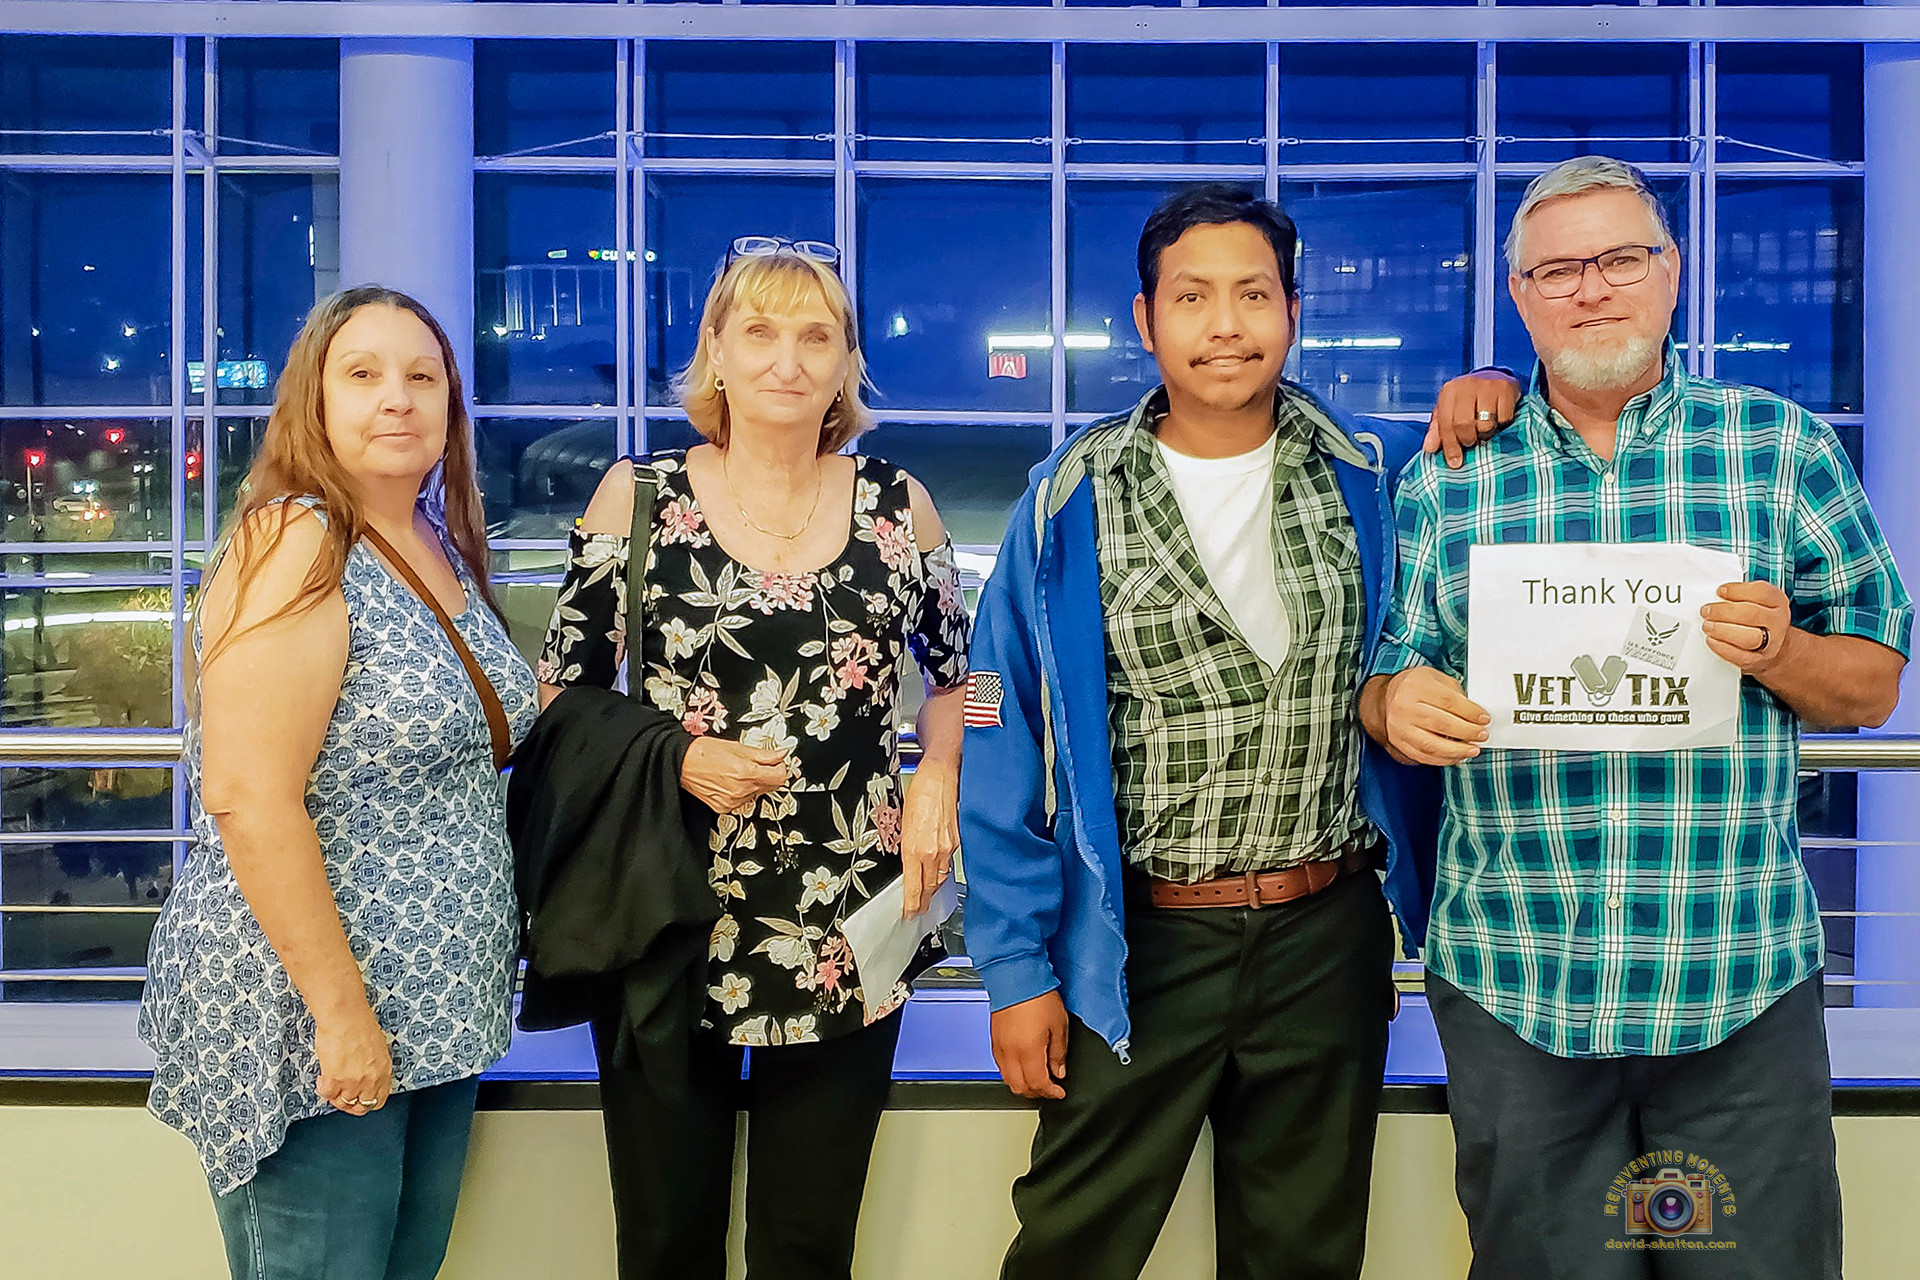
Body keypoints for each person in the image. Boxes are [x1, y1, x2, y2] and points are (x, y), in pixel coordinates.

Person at [958, 183, 1521, 1280]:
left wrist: (1499, 385)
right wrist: (1017, 967)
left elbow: (1501, 461)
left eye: (1253, 294)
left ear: (1293, 311)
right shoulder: (1066, 498)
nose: (1226, 325)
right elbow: (996, 718)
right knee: (1071, 1243)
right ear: (1145, 318)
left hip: (1327, 931)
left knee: (1304, 1253)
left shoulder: (1372, 473)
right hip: (1137, 941)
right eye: (1194, 296)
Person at [1363, 155, 1911, 1279]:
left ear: (1671, 277)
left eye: (1620, 259)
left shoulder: (1782, 448)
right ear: (1519, 295)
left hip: (1737, 975)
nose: (1590, 289)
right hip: (1516, 976)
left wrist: (1789, 650)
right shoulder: (1446, 479)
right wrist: (1391, 703)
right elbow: (1385, 673)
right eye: (1558, 269)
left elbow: (1874, 684)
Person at [533, 235, 972, 1280]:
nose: (788, 358)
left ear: (845, 362)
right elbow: (559, 693)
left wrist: (938, 772)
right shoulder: (634, 497)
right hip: (667, 910)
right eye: (760, 331)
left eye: (815, 335)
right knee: (665, 1237)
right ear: (716, 352)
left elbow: (972, 676)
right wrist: (674, 758)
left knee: (810, 1240)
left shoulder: (895, 504)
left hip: (851, 917)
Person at [138, 286, 538, 1279]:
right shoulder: (300, 540)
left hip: (434, 1008)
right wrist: (341, 1012)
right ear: (311, 400)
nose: (396, 399)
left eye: (421, 376)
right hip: (318, 1014)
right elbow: (246, 791)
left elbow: (449, 720)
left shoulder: (431, 540)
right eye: (362, 375)